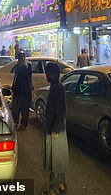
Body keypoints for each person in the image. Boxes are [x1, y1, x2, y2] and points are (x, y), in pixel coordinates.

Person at [42, 62, 68, 195]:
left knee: (55, 158)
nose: (47, 75)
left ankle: (54, 188)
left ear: (55, 74)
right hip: (56, 127)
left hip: (55, 128)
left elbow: (61, 110)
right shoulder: (55, 87)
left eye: (49, 73)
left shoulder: (57, 88)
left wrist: (55, 129)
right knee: (59, 157)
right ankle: (61, 183)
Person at [11, 51, 33, 131]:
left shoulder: (28, 65)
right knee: (15, 109)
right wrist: (13, 87)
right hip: (17, 91)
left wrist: (31, 88)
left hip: (25, 91)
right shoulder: (17, 66)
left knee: (25, 109)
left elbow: (29, 77)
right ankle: (15, 123)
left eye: (23, 56)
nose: (22, 58)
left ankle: (24, 124)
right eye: (20, 57)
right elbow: (15, 77)